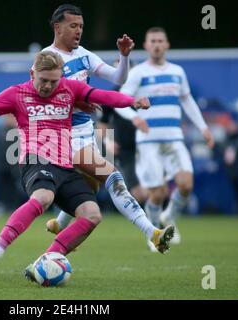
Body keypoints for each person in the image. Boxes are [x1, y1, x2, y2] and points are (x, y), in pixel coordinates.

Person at [0, 51, 174, 279]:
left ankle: (45, 261)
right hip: (35, 161)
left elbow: (103, 95)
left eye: (53, 81)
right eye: (43, 80)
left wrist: (132, 101)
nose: (48, 86)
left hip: (65, 165)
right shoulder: (16, 94)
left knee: (93, 215)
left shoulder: (70, 88)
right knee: (44, 197)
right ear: (31, 73)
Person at [42, 5, 157, 245]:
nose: (78, 31)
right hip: (65, 136)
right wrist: (76, 102)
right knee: (112, 175)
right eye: (73, 26)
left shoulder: (84, 55)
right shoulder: (47, 58)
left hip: (86, 132)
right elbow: (41, 96)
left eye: (81, 26)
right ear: (58, 27)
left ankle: (59, 224)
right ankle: (151, 232)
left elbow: (119, 78)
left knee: (91, 184)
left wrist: (124, 56)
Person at [116, 27, 214, 250]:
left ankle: (169, 217)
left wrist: (203, 128)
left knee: (186, 184)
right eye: (153, 41)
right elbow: (121, 101)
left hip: (174, 139)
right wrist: (135, 118)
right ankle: (154, 234)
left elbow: (187, 101)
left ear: (167, 45)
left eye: (161, 40)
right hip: (148, 142)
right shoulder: (138, 72)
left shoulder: (177, 72)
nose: (157, 44)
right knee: (157, 193)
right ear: (146, 45)